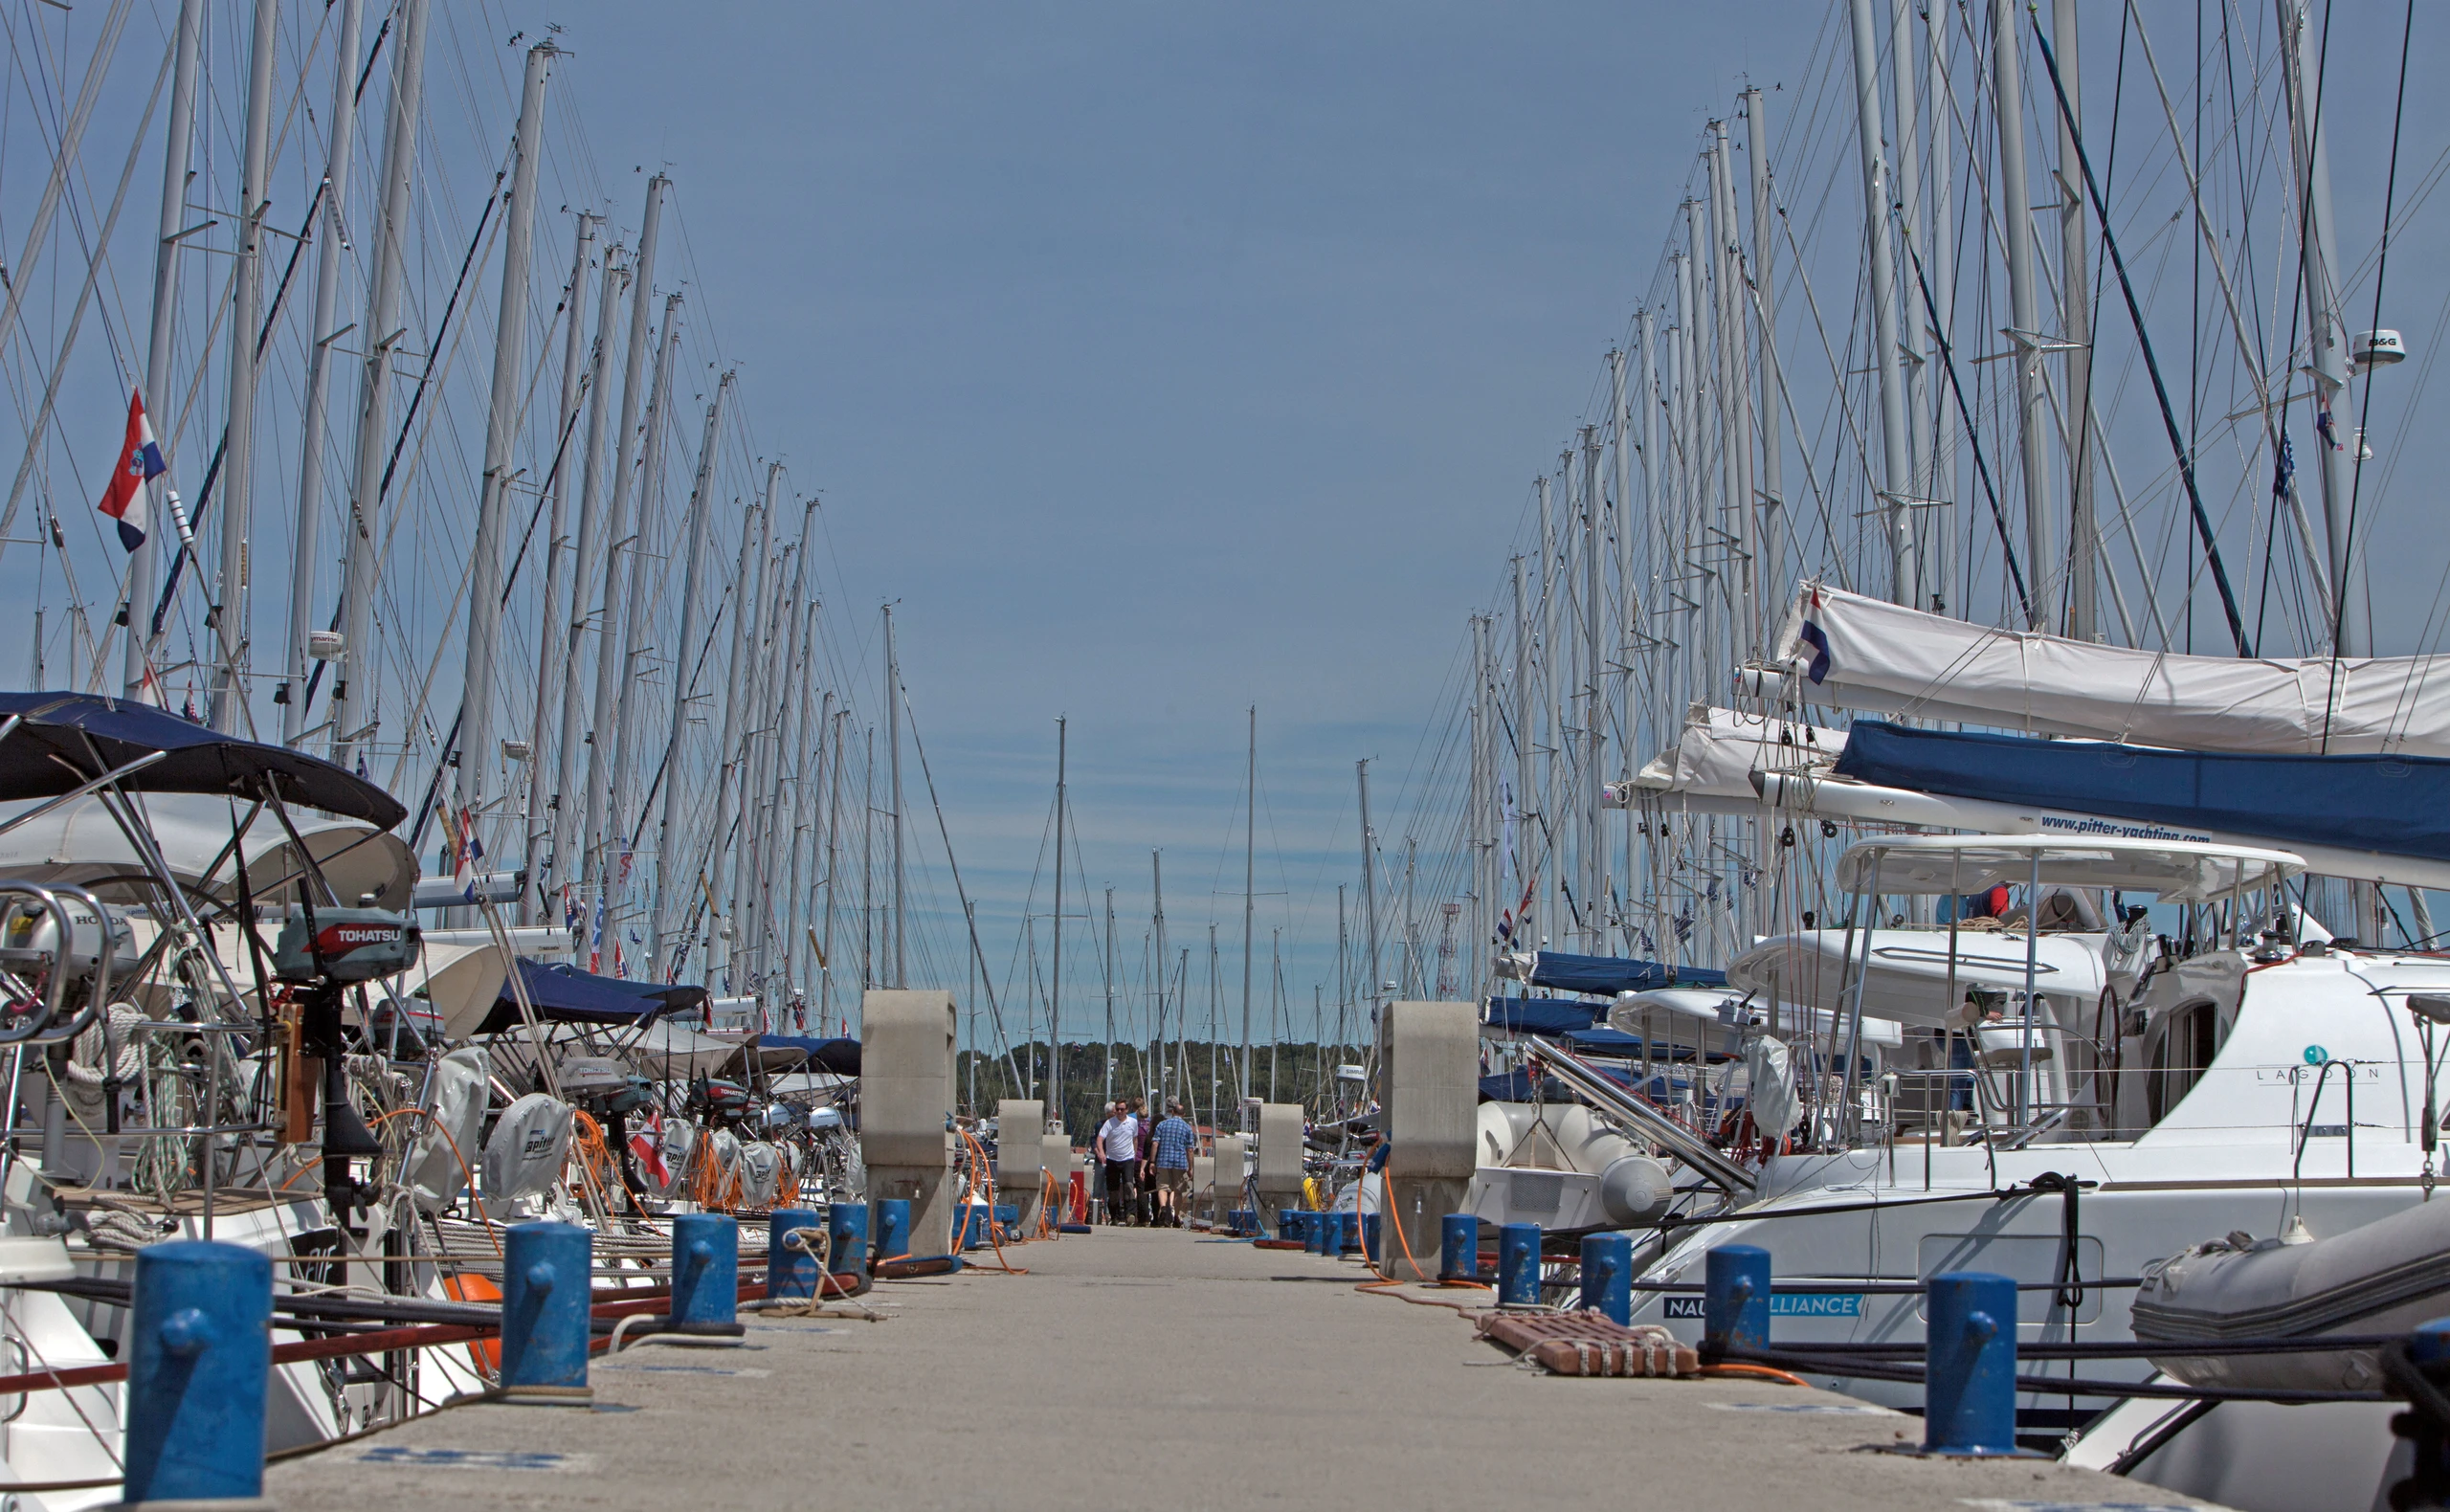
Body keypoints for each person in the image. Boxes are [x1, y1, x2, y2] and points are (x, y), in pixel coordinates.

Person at [1148, 1101, 1196, 1227]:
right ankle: (1175, 1215)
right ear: (1184, 1114)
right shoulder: (1187, 1128)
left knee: (1163, 1187)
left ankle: (1163, 1208)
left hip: (1163, 1161)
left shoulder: (1162, 1125)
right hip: (1180, 1162)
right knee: (1178, 1190)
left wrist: (1152, 1161)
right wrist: (1190, 1167)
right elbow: (1190, 1149)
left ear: (1172, 1112)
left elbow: (1155, 1143)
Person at [1096, 1101, 1140, 1225]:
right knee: (1113, 1190)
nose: (1119, 1112)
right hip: (1112, 1159)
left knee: (1129, 1186)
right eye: (1118, 1109)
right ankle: (1114, 1216)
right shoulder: (1109, 1123)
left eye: (1122, 1109)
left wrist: (1134, 1155)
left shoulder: (1133, 1122)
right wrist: (1101, 1152)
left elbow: (1135, 1139)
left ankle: (1130, 1214)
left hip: (1127, 1158)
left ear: (1126, 1110)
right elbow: (1100, 1138)